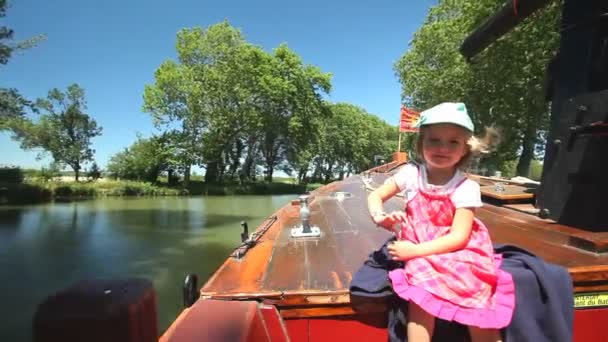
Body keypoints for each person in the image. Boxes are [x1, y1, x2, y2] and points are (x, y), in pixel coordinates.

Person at [367, 102, 514, 342]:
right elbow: (375, 195)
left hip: (456, 248)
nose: (442, 148)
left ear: (464, 149)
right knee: (421, 291)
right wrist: (379, 216)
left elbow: (459, 237)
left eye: (453, 142)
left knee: (473, 286)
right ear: (420, 144)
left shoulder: (466, 188)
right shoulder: (410, 175)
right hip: (421, 246)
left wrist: (413, 251)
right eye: (434, 140)